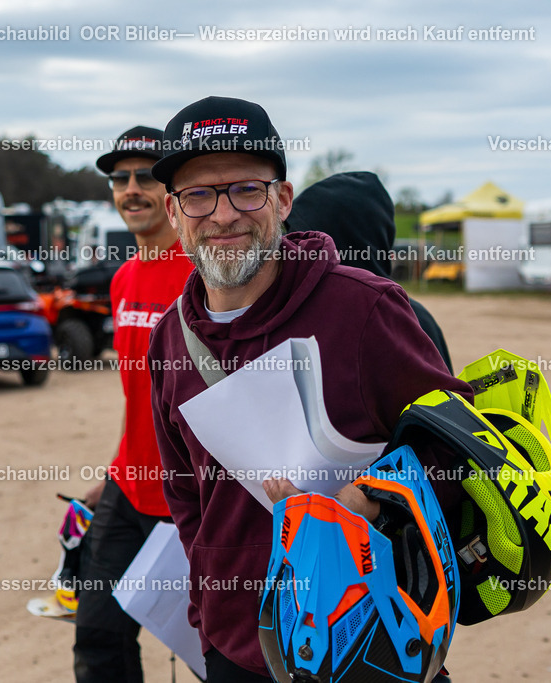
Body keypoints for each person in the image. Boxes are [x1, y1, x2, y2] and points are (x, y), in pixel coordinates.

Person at [146, 97, 472, 681]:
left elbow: (458, 450)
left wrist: (370, 500)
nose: (223, 215)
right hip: (238, 650)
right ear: (174, 213)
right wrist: (208, 616)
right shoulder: (170, 338)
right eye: (198, 195)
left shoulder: (365, 308)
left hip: (372, 641)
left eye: (246, 188)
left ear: (283, 200)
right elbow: (184, 494)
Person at [73, 126, 195, 683]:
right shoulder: (123, 279)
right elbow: (136, 392)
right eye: (119, 179)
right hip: (128, 489)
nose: (131, 189)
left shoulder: (203, 274)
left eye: (145, 175)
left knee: (210, 648)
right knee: (99, 637)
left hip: (193, 496)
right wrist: (113, 467)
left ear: (169, 190)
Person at [285, 171, 454, 371]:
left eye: (308, 243)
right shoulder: (298, 315)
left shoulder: (409, 320)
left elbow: (444, 400)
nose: (295, 250)